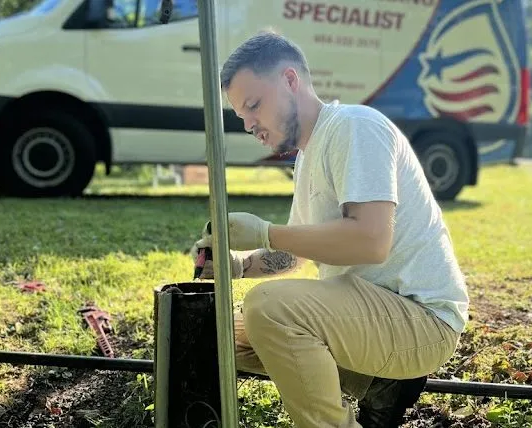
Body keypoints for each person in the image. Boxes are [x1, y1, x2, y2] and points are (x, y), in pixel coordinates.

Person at [190, 30, 469, 428]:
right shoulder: (308, 157)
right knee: (212, 334)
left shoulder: (355, 127)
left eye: (254, 106)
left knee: (269, 308)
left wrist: (266, 230)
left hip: (421, 320)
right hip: (367, 316)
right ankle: (377, 384)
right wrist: (234, 264)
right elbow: (296, 254)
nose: (249, 124)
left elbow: (370, 241)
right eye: (242, 115)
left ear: (290, 80)